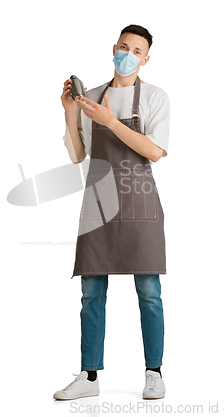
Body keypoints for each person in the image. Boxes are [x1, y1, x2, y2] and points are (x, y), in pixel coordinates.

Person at [54, 25, 170, 400]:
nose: (129, 54)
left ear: (146, 58)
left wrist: (110, 122)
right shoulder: (90, 97)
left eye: (137, 50)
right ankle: (89, 377)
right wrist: (72, 112)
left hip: (140, 205)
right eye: (124, 46)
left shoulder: (155, 97)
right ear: (114, 48)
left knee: (149, 292)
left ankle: (154, 372)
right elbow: (77, 155)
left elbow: (154, 152)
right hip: (98, 208)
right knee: (91, 294)